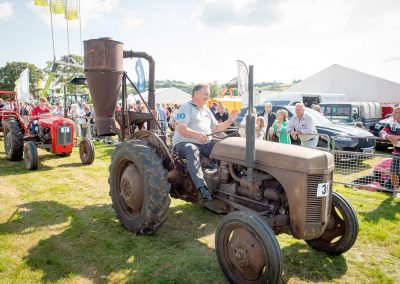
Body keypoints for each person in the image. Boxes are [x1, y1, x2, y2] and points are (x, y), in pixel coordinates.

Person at [172, 83, 238, 201]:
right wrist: (197, 135)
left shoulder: (206, 110)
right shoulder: (186, 107)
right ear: (196, 94)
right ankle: (201, 187)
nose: (208, 96)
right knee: (191, 149)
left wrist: (229, 120)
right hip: (183, 143)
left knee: (223, 147)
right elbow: (181, 129)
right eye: (206, 94)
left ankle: (225, 182)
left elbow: (216, 128)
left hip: (204, 143)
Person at [379, 107, 400, 198]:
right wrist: (388, 136)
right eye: (393, 112)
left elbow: (396, 137)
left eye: (395, 112)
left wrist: (397, 137)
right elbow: (381, 133)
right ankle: (396, 191)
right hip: (396, 152)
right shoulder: (391, 123)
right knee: (392, 173)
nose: (393, 114)